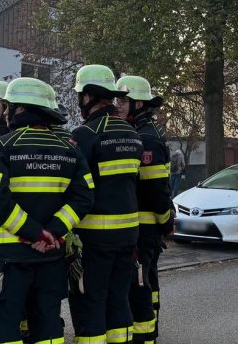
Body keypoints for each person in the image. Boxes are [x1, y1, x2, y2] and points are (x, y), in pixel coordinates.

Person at [0, 77, 94, 344]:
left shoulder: (3, 145)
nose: (6, 113)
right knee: (48, 324)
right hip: (51, 255)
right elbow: (85, 197)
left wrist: (34, 233)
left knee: (6, 325)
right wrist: (51, 233)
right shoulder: (69, 149)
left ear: (21, 109)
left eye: (9, 107)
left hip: (9, 256)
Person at [70, 64, 143, 344]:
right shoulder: (132, 134)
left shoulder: (85, 134)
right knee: (118, 297)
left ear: (88, 96)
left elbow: (74, 186)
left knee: (91, 298)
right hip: (128, 234)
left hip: (95, 236)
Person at [116, 75, 174, 344]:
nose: (117, 105)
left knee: (139, 283)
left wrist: (165, 220)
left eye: (123, 100)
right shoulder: (144, 131)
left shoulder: (145, 137)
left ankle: (144, 335)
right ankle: (151, 328)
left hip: (143, 227)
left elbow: (156, 188)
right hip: (146, 227)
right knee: (147, 279)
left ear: (139, 104)